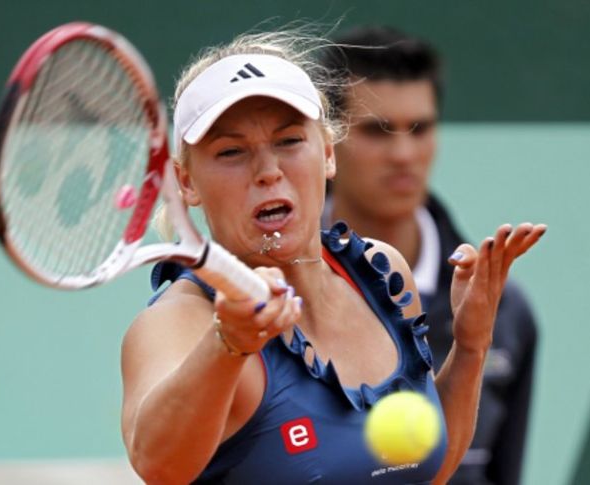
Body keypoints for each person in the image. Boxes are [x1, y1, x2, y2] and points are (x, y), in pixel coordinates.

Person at [120, 28, 545, 485]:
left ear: (327, 153)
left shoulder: (383, 273)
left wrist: (470, 344)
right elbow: (159, 465)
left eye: (289, 141)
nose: (268, 171)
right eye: (231, 151)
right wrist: (229, 344)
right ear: (186, 182)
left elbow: (425, 470)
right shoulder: (175, 323)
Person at [319, 26, 541, 485]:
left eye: (419, 128)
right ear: (327, 144)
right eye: (377, 131)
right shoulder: (268, 294)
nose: (404, 153)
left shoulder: (507, 309)